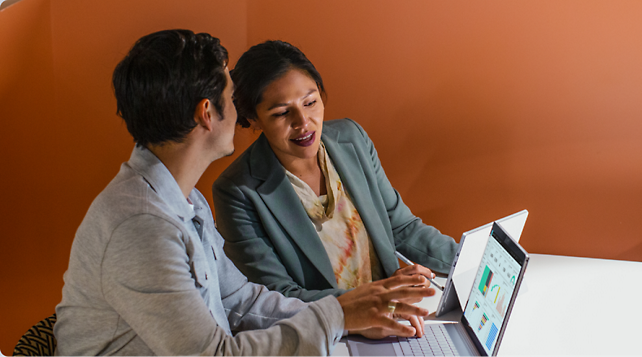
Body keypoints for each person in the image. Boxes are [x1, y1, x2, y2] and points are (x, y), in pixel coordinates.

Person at [54, 29, 434, 356]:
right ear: (207, 113)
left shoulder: (183, 200)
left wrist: (351, 313)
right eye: (232, 94)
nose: (240, 111)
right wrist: (339, 315)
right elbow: (216, 354)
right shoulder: (141, 228)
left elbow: (242, 302)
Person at [212, 40, 459, 302]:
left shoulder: (352, 139)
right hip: (328, 333)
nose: (303, 122)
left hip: (391, 314)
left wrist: (469, 264)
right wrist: (376, 299)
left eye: (310, 102)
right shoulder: (237, 191)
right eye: (283, 113)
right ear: (253, 119)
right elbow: (278, 298)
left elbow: (401, 228)